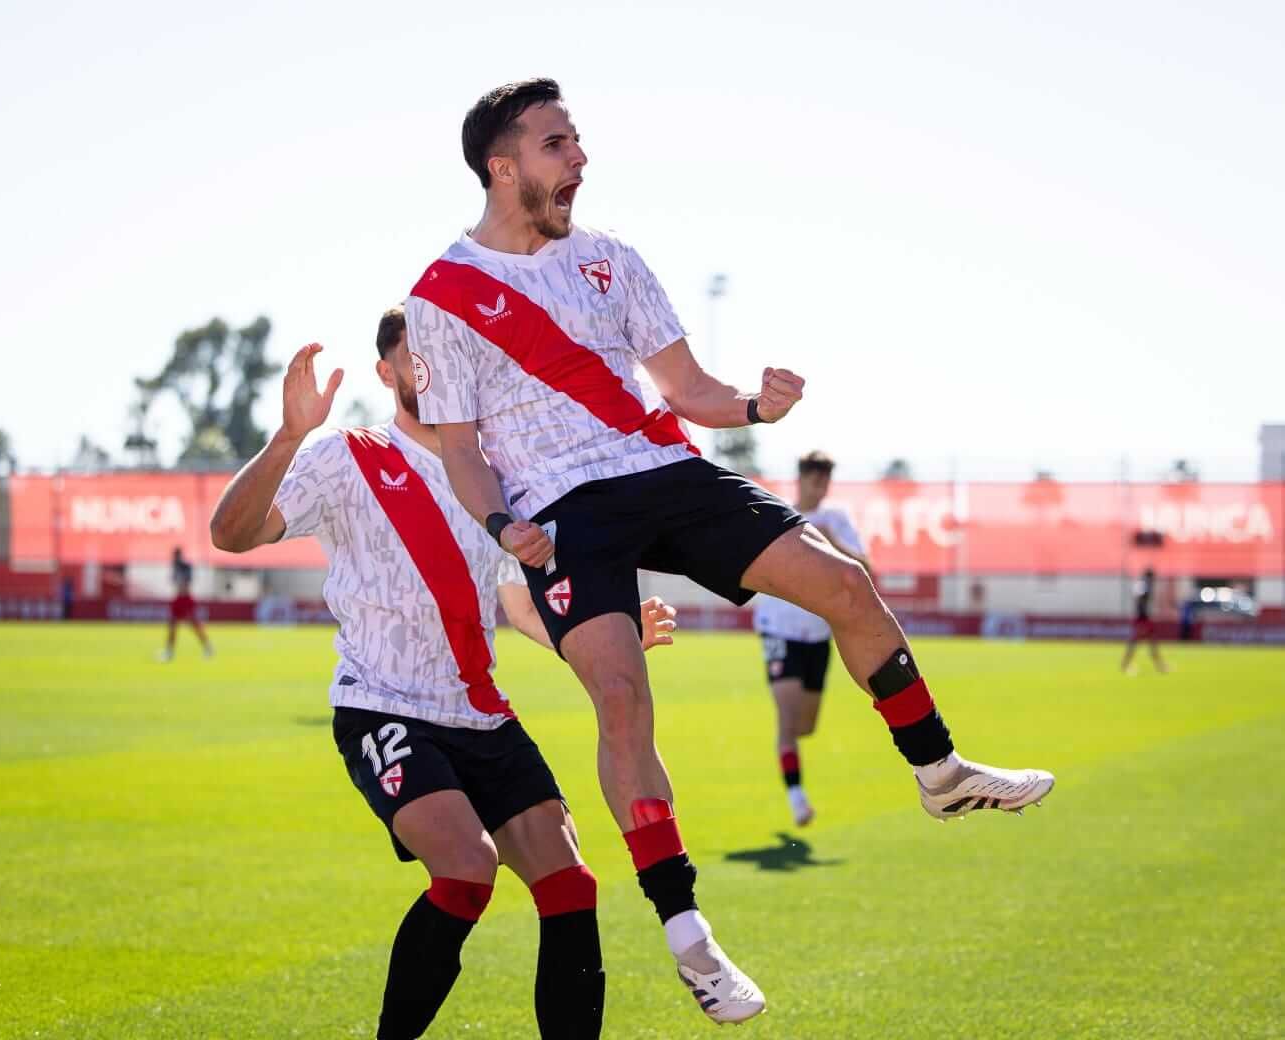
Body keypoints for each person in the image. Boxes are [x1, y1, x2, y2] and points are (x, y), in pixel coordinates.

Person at [405, 78, 1055, 1024]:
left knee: (845, 584)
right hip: (558, 509)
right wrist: (506, 527)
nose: (579, 158)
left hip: (662, 468)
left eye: (578, 141)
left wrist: (754, 404)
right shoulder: (440, 297)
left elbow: (686, 387)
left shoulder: (613, 259)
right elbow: (460, 449)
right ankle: (690, 939)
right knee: (623, 699)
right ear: (502, 167)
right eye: (556, 145)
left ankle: (942, 776)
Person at [209, 309, 676, 1039]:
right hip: (385, 707)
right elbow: (231, 535)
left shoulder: (488, 476)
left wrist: (599, 636)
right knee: (466, 871)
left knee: (571, 886)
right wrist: (289, 434)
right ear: (387, 372)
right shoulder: (347, 456)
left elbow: (516, 602)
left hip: (483, 714)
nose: (431, 368)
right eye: (412, 356)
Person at [752, 451, 873, 828]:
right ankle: (797, 798)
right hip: (779, 630)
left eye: (825, 482)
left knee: (806, 725)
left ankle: (791, 761)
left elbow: (864, 569)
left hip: (818, 634)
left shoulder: (835, 520)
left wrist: (833, 541)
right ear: (801, 478)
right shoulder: (780, 514)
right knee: (788, 722)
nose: (820, 489)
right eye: (815, 480)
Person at [160, 546, 213, 660]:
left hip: (186, 599)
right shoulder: (175, 566)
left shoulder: (185, 566)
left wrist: (180, 581)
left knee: (194, 625)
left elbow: (187, 582)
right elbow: (173, 581)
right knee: (173, 626)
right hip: (178, 599)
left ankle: (207, 647)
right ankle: (169, 651)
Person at [1121, 567, 1168, 674]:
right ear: (1149, 576)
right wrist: (1142, 618)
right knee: (1140, 642)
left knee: (1149, 642)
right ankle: (1125, 665)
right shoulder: (1144, 585)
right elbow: (1139, 600)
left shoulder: (1143, 584)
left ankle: (1159, 666)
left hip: (1143, 618)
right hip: (1142, 619)